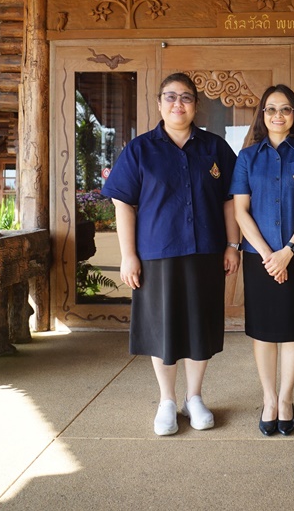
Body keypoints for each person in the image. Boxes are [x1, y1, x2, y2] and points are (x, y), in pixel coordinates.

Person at [101, 72, 240, 436]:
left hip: (205, 252)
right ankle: (166, 400)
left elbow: (230, 202)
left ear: (196, 105)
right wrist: (127, 255)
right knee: (162, 328)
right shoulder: (139, 150)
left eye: (186, 98)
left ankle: (194, 397)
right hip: (155, 255)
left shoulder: (216, 149)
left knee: (199, 326)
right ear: (160, 103)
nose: (178, 104)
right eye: (170, 97)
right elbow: (123, 205)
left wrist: (232, 244)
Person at [231, 85, 294, 436]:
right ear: (262, 115)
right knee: (264, 331)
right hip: (260, 257)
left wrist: (288, 252)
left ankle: (286, 399)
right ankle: (268, 398)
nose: (277, 115)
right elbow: (241, 212)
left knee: (292, 328)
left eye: (285, 109)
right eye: (270, 109)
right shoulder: (247, 157)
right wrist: (269, 255)